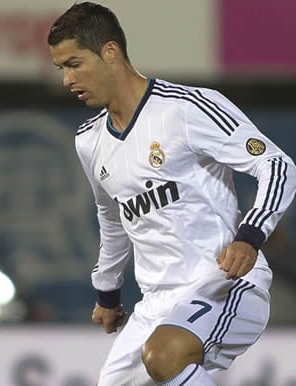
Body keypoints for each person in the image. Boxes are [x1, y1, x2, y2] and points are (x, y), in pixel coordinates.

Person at [47, 2, 296, 385]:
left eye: (74, 64)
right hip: (155, 306)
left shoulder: (186, 109)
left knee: (164, 355)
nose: (67, 80)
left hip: (223, 285)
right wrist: (108, 293)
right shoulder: (89, 141)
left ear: (110, 51)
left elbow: (278, 166)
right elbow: (113, 219)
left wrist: (250, 236)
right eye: (61, 68)